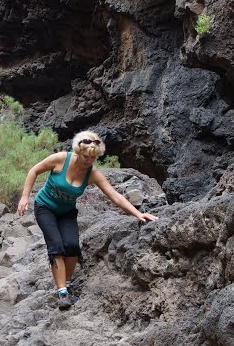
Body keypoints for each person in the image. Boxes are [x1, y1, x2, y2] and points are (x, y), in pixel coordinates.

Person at [17, 130, 158, 309]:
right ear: (78, 152)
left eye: (93, 158)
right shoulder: (61, 159)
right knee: (57, 246)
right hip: (45, 207)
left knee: (72, 246)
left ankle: (67, 284)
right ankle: (62, 293)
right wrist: (24, 197)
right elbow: (34, 170)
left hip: (67, 212)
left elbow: (115, 197)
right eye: (86, 157)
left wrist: (138, 214)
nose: (89, 161)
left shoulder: (92, 173)